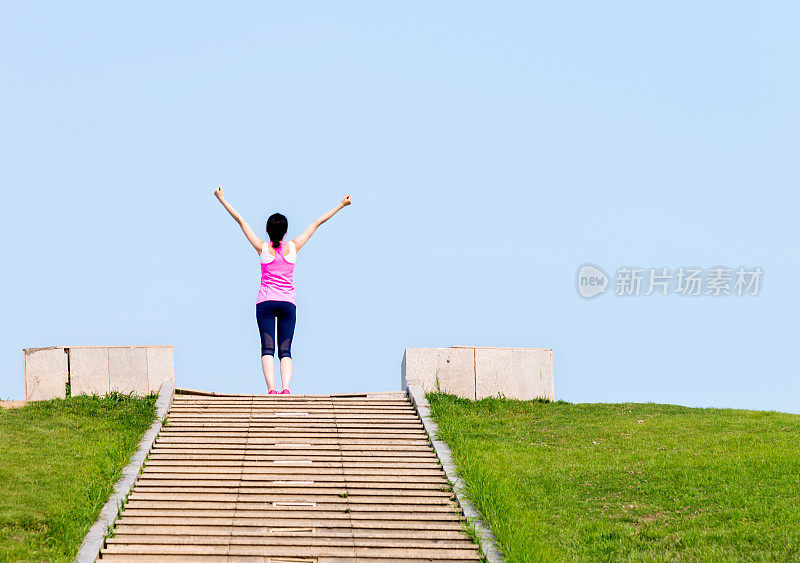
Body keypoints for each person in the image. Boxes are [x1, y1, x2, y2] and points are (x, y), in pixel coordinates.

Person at [214, 186, 352, 394]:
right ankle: (286, 389)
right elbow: (316, 223)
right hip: (288, 303)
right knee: (285, 351)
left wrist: (221, 198)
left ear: (268, 231)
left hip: (266, 303)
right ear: (285, 231)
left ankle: (271, 390)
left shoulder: (262, 247)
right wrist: (341, 205)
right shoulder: (294, 246)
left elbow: (241, 221)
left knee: (267, 348)